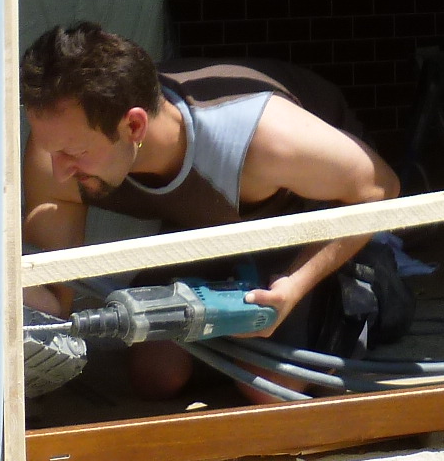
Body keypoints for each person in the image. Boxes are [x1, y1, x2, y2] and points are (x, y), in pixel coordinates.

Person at [20, 23, 405, 402]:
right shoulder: (59, 140)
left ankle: (370, 285)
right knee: (156, 376)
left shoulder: (264, 138)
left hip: (307, 223)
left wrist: (295, 285)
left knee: (268, 386)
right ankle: (232, 342)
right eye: (50, 149)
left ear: (133, 125)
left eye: (72, 154)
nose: (57, 171)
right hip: (208, 233)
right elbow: (55, 305)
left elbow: (379, 188)